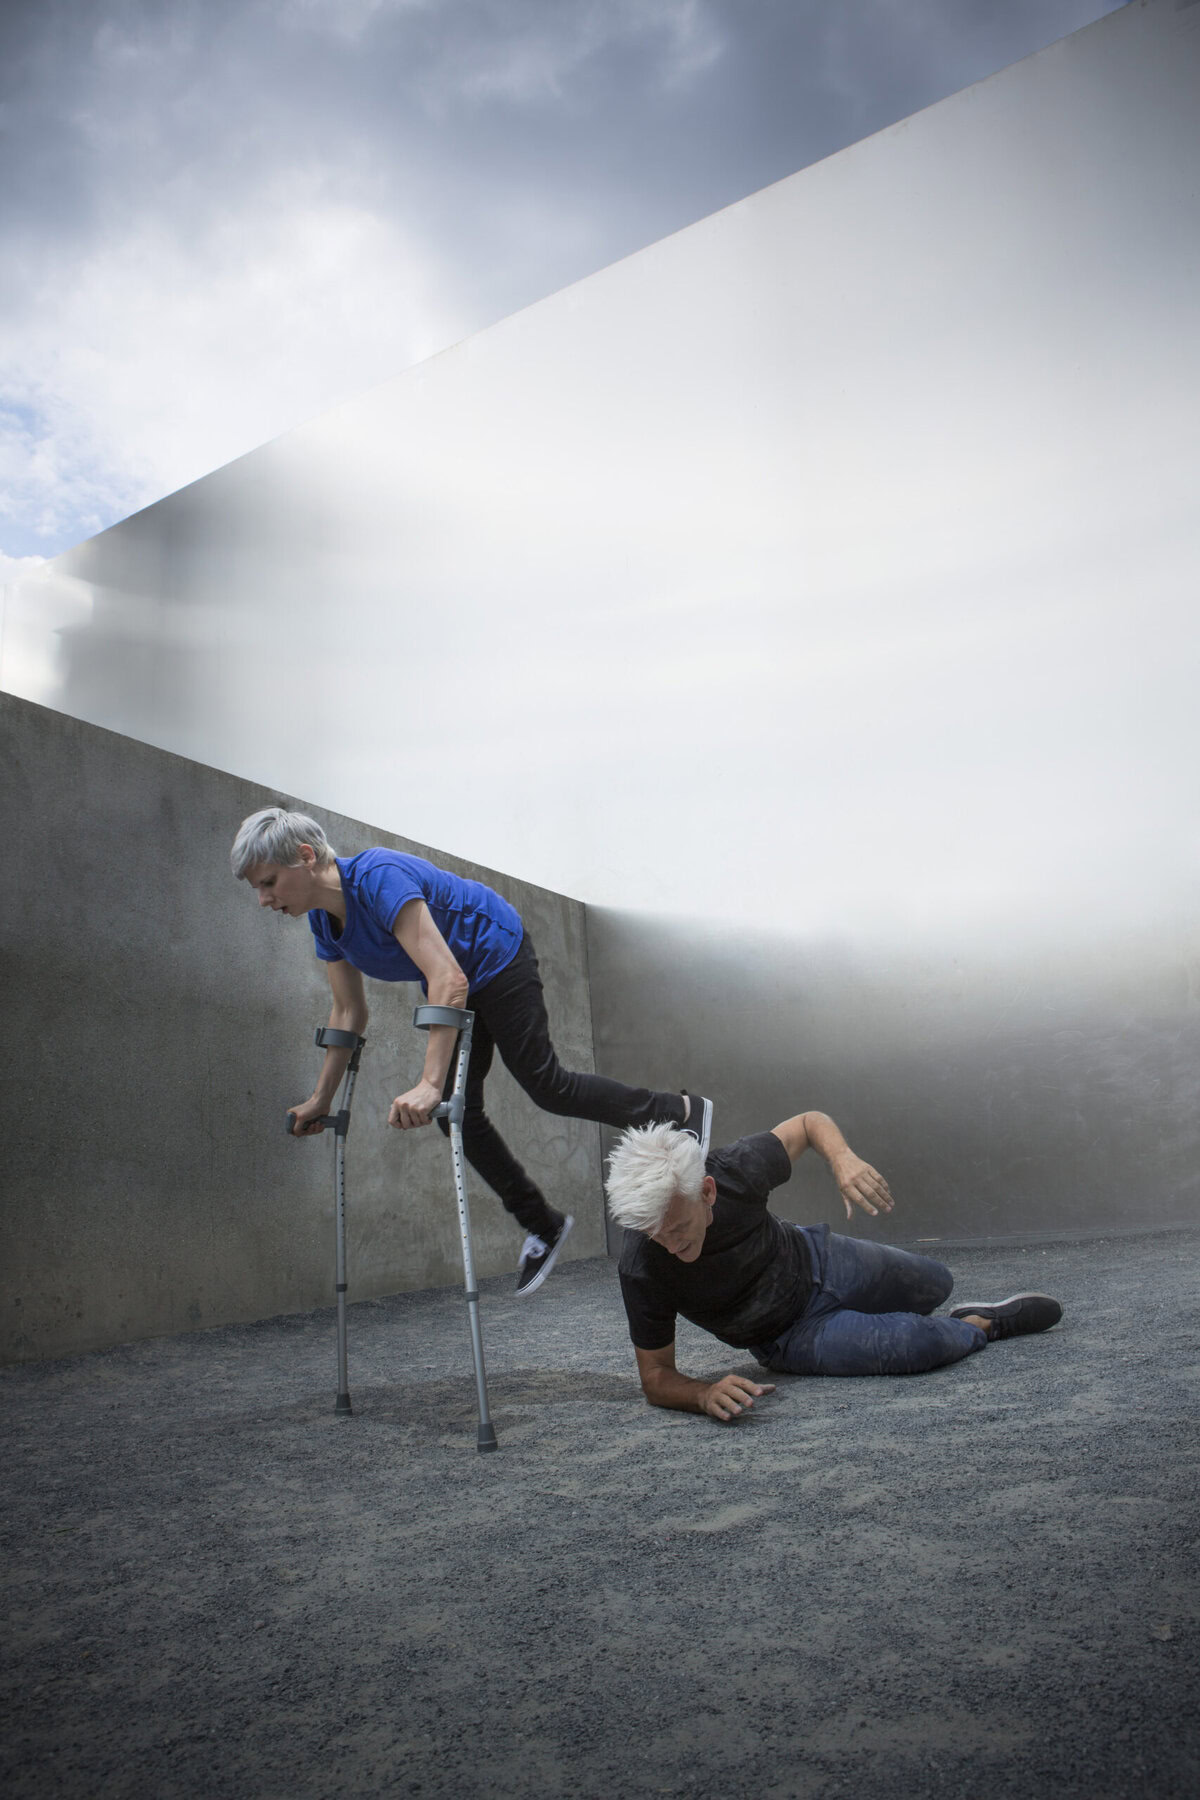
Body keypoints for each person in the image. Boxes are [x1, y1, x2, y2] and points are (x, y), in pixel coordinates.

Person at [231, 807, 712, 1295]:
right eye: (256, 887)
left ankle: (679, 1110)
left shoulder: (378, 877)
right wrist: (321, 1099)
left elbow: (449, 978)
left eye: (268, 882)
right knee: (454, 1114)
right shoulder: (323, 923)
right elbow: (348, 1013)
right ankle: (543, 1224)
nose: (262, 899)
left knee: (545, 1082)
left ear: (306, 857)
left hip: (496, 953)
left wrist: (429, 1082)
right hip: (453, 980)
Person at [605, 1112, 1062, 1421]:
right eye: (654, 1234)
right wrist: (702, 1394)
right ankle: (982, 1324)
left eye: (677, 1226)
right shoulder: (643, 1264)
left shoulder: (733, 1170)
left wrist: (843, 1160)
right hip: (786, 1335)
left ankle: (941, 1309)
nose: (668, 1244)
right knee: (915, 1345)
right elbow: (656, 1378)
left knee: (936, 1284)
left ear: (707, 1192)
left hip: (819, 1257)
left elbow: (808, 1123)